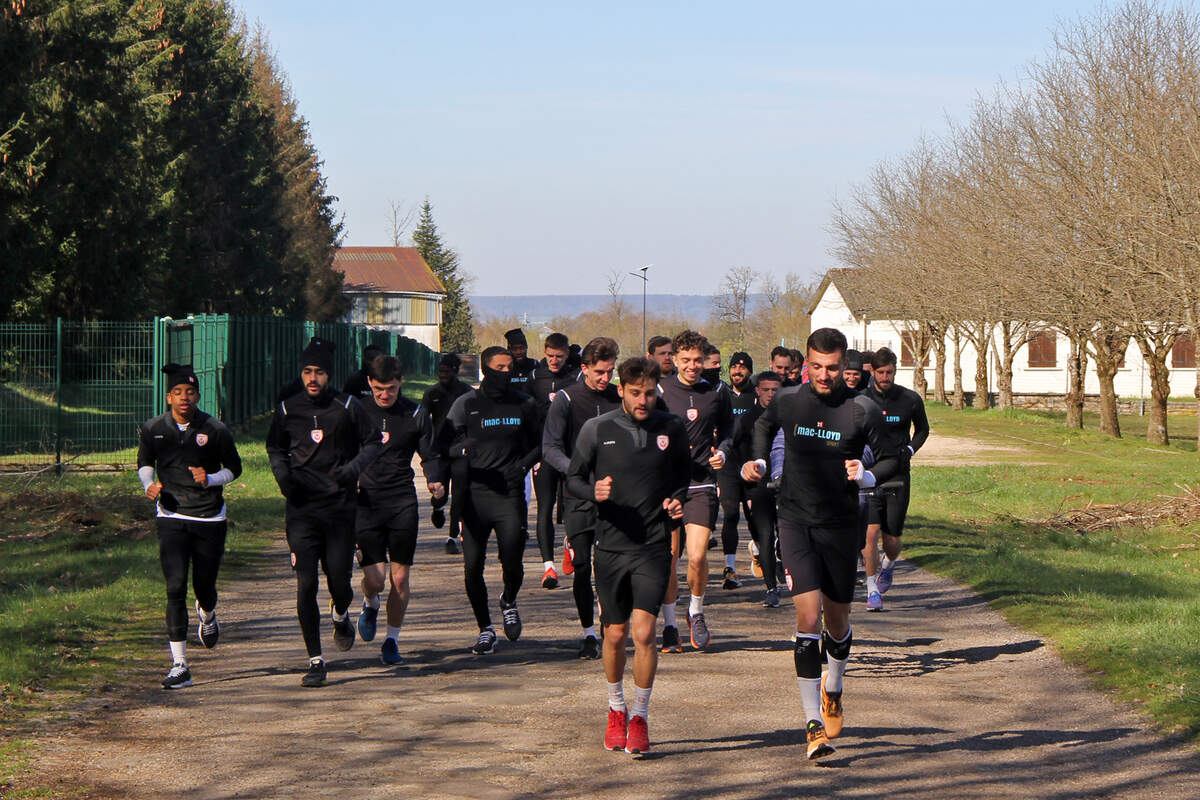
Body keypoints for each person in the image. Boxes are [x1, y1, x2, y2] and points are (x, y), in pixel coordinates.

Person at [742, 327, 899, 759]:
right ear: (806, 364)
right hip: (795, 520)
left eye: (832, 368)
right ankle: (813, 725)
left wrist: (867, 476)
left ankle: (834, 686)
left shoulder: (860, 410)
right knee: (807, 618)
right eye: (816, 367)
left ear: (843, 364)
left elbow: (893, 454)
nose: (824, 375)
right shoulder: (790, 400)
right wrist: (757, 461)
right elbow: (762, 425)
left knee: (837, 622)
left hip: (841, 524)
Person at [565, 356, 691, 755]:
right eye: (636, 393)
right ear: (620, 390)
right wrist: (593, 492)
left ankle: (639, 716)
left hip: (653, 545)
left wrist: (677, 500)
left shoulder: (670, 427)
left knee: (644, 633)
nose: (643, 400)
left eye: (650, 393)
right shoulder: (596, 429)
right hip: (611, 545)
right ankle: (615, 707)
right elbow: (573, 477)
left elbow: (683, 476)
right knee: (616, 634)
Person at [267, 338, 382, 687]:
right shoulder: (288, 409)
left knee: (339, 583)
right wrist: (283, 476)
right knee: (305, 584)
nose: (312, 378)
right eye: (307, 372)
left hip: (340, 508)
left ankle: (340, 613)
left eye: (318, 372)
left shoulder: (347, 406)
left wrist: (353, 469)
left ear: (328, 375)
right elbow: (275, 446)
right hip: (302, 509)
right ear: (300, 374)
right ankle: (315, 660)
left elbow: (374, 441)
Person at [137, 364, 243, 689]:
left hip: (209, 517)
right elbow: (144, 463)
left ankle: (208, 613)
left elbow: (235, 469)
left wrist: (210, 479)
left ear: (198, 396)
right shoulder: (154, 428)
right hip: (171, 516)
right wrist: (148, 485)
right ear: (169, 397)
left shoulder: (215, 429)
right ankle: (180, 665)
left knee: (204, 586)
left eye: (191, 392)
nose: (185, 398)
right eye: (179, 392)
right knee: (174, 586)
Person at [444, 346, 540, 655]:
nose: (506, 372)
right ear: (487, 370)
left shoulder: (524, 404)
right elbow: (443, 445)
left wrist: (522, 466)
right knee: (473, 567)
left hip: (509, 494)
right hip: (474, 496)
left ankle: (509, 600)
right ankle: (485, 629)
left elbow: (541, 445)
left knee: (512, 558)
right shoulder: (466, 405)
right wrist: (461, 450)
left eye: (510, 367)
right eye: (500, 367)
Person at [354, 356, 444, 664]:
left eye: (390, 389)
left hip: (401, 501)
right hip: (364, 502)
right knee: (376, 580)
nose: (384, 395)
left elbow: (429, 454)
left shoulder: (416, 414)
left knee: (401, 579)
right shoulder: (357, 411)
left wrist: (434, 480)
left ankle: (391, 641)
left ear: (400, 383)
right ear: (370, 383)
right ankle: (369, 602)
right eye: (379, 389)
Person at [541, 337, 621, 658]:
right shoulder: (566, 400)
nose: (606, 378)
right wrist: (574, 471)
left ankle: (610, 622)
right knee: (583, 568)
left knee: (610, 568)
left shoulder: (619, 398)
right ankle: (589, 633)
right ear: (585, 368)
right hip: (578, 496)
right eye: (600, 372)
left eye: (611, 372)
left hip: (615, 498)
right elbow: (549, 448)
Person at [656, 329, 733, 651]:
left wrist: (723, 453)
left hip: (702, 483)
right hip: (668, 486)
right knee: (669, 559)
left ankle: (696, 611)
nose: (692, 366)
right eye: (685, 360)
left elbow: (730, 430)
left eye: (697, 360)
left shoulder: (717, 391)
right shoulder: (660, 390)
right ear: (674, 359)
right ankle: (671, 624)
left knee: (698, 555)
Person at [860, 347, 929, 611]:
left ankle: (888, 565)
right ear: (873, 372)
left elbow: (923, 429)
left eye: (889, 372)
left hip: (898, 474)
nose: (885, 377)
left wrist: (910, 450)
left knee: (891, 538)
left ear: (895, 371)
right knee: (870, 533)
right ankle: (871, 589)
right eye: (880, 372)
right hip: (869, 474)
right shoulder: (863, 399)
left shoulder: (909, 399)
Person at [529, 332, 580, 590]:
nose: (554, 361)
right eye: (550, 356)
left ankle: (570, 543)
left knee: (572, 505)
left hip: (569, 453)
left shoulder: (575, 378)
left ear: (567, 354)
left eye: (559, 356)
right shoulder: (536, 377)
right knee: (545, 508)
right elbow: (527, 414)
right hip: (544, 453)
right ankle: (548, 567)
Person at [729, 370, 782, 607]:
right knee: (766, 536)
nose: (771, 394)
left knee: (786, 536)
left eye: (775, 390)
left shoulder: (789, 416)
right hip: (756, 485)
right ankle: (771, 587)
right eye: (766, 390)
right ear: (757, 391)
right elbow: (732, 448)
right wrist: (742, 472)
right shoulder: (747, 419)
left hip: (786, 484)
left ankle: (785, 566)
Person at [423, 353, 472, 554]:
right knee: (440, 492)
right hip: (439, 451)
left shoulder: (466, 392)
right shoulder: (432, 393)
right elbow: (423, 422)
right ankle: (437, 507)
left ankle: (452, 537)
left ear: (455, 371)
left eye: (446, 371)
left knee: (460, 495)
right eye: (440, 371)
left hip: (460, 450)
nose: (442, 375)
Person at [717, 351, 757, 590]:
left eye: (742, 368)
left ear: (749, 371)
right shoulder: (723, 396)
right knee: (730, 513)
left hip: (752, 464)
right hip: (728, 465)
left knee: (755, 517)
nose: (737, 372)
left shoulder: (755, 395)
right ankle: (729, 568)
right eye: (734, 368)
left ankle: (759, 551)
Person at [505, 328, 538, 395]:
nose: (518, 352)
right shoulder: (505, 367)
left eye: (521, 348)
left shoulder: (534, 365)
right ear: (509, 350)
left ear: (526, 348)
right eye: (514, 349)